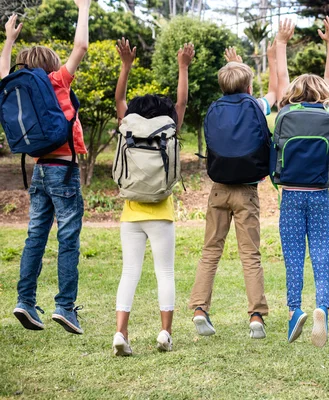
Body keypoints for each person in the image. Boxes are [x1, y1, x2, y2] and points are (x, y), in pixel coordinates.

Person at [1, 1, 90, 334]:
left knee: (34, 237)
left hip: (38, 171)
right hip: (64, 170)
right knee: (68, 239)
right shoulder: (57, 81)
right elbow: (80, 46)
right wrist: (84, 7)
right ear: (52, 65)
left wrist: (9, 40)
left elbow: (2, 73)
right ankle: (65, 307)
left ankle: (25, 301)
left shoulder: (18, 87)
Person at [188, 42, 278, 340]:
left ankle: (200, 308)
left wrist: (235, 67)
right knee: (250, 254)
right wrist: (272, 55)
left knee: (211, 250)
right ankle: (256, 316)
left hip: (219, 188)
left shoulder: (216, 107)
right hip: (247, 191)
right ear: (249, 85)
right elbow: (274, 96)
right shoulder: (256, 105)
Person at [111, 38, 194, 355]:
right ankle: (164, 333)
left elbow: (119, 98)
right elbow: (182, 103)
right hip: (161, 212)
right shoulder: (169, 126)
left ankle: (121, 334)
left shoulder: (127, 126)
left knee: (129, 273)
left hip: (131, 214)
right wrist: (182, 67)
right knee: (165, 273)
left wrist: (126, 66)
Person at [275, 17, 329, 348]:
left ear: (294, 93)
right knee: (322, 255)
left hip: (290, 195)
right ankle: (322, 309)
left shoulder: (286, 113)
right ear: (324, 93)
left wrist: (281, 45)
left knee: (293, 257)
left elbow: (282, 81)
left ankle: (294, 311)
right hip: (320, 195)